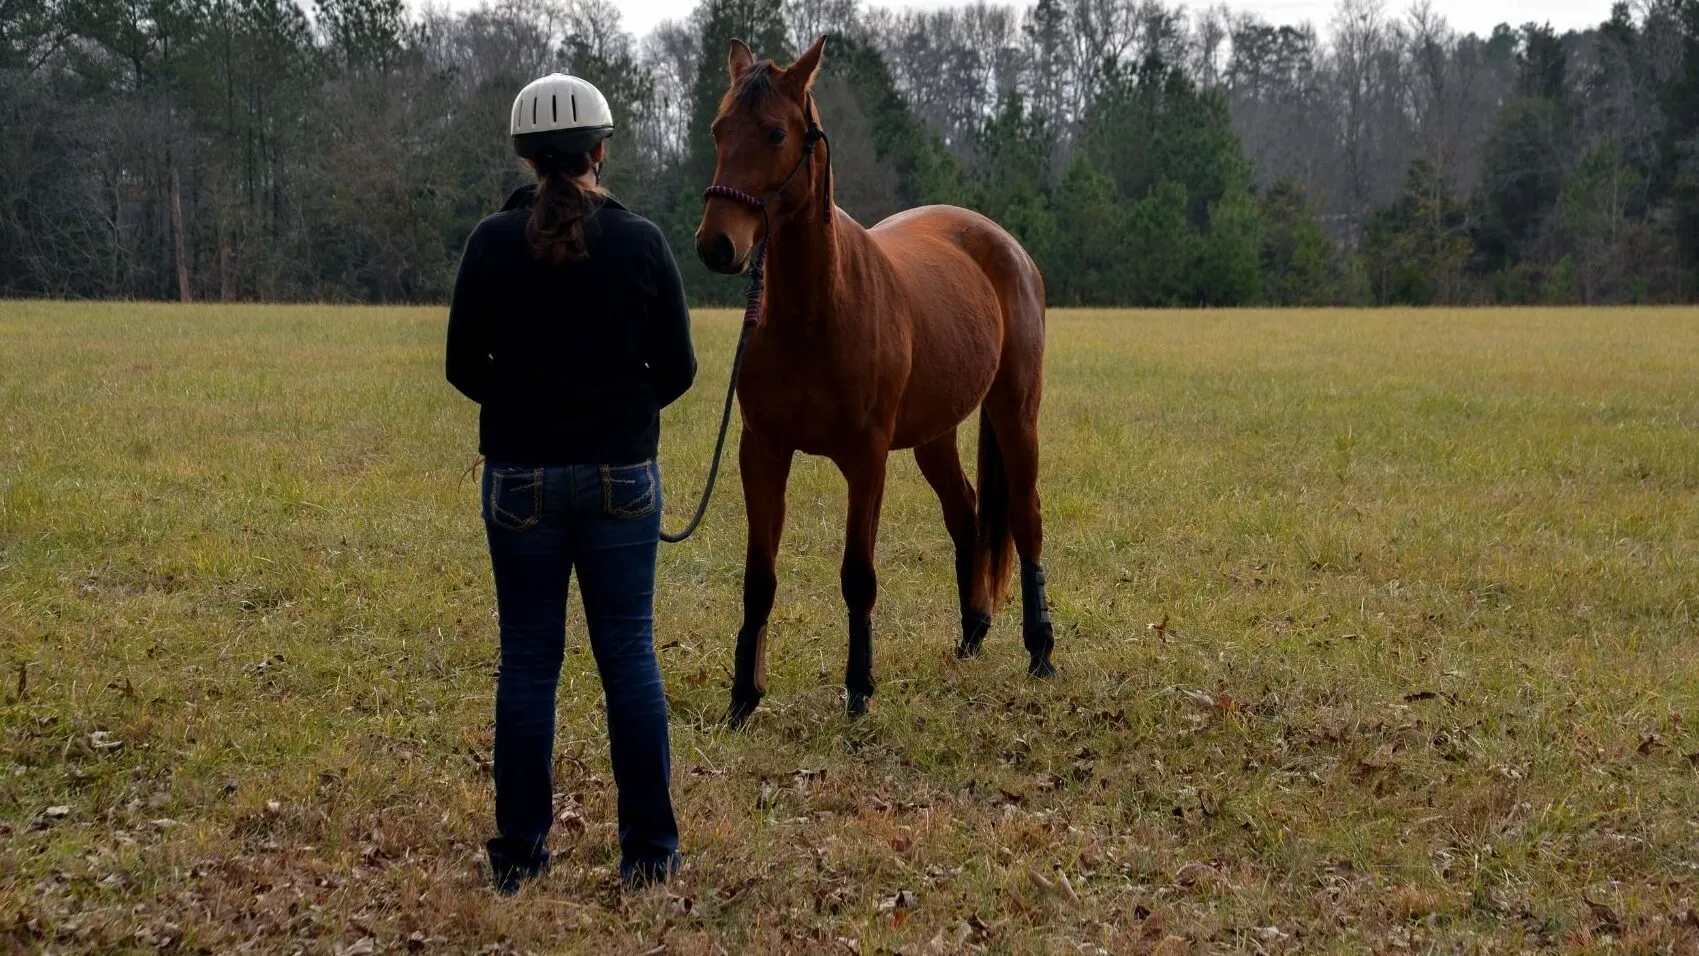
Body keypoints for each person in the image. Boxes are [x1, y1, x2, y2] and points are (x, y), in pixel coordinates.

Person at [445, 72, 697, 895]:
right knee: (629, 658)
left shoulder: (489, 243)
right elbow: (680, 370)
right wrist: (619, 417)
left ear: (527, 158)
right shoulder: (642, 241)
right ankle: (649, 856)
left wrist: (524, 412)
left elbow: (460, 366)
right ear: (598, 151)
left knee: (526, 664)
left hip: (518, 481)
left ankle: (518, 859)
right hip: (623, 478)